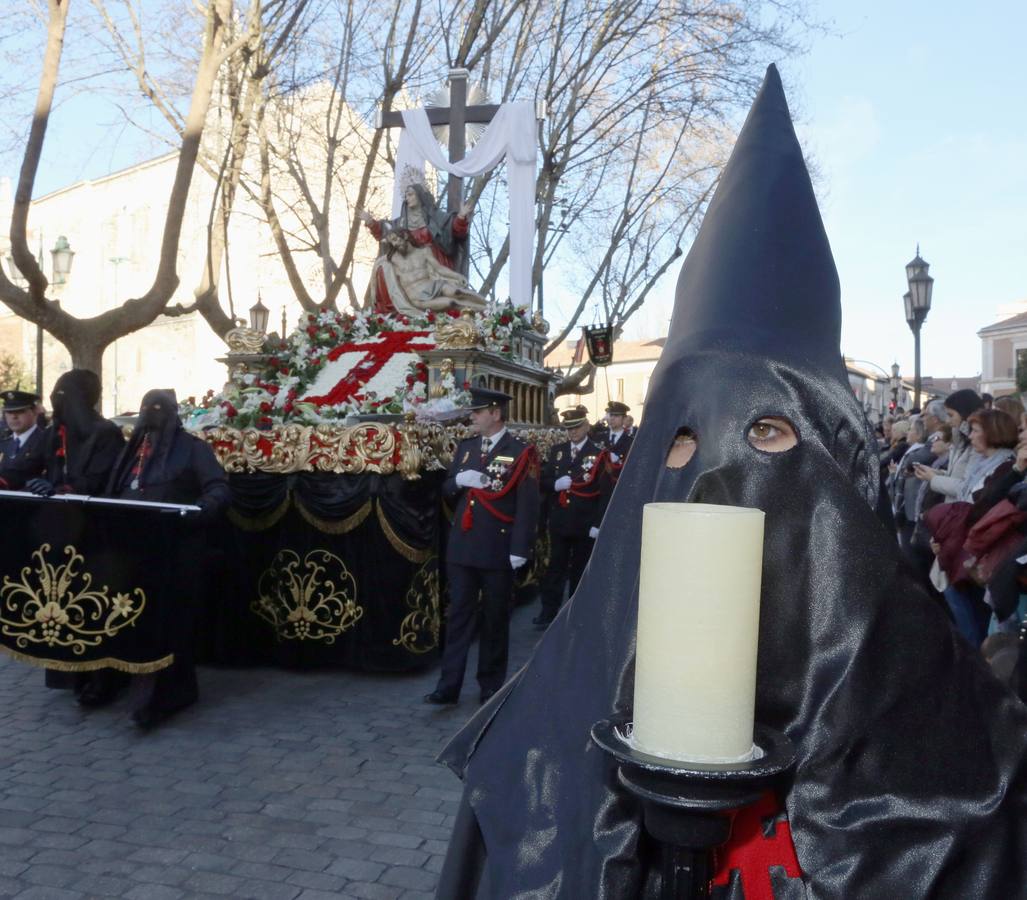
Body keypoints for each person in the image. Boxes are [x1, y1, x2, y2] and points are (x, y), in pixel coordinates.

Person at [435, 65, 1027, 898]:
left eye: (767, 433)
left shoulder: (958, 730)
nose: (716, 481)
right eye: (681, 442)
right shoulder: (549, 714)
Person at [106, 389, 230, 728]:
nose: (152, 414)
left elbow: (218, 487)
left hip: (175, 551)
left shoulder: (193, 449)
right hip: (131, 553)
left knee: (168, 626)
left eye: (158, 409)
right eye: (147, 408)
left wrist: (202, 509)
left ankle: (168, 692)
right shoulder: (132, 451)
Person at [425, 387, 540, 706]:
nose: (472, 416)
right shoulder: (466, 448)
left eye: (477, 411)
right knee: (458, 617)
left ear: (496, 413)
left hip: (498, 547)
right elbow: (447, 490)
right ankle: (448, 685)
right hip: (463, 548)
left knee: (494, 619)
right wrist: (460, 481)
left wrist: (520, 547)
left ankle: (490, 683)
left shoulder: (520, 451)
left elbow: (528, 505)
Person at [27, 369, 126, 705]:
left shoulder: (106, 432)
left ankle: (103, 678)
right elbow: (41, 468)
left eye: (65, 395)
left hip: (97, 534)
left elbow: (99, 479)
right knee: (64, 603)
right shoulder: (56, 433)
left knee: (95, 606)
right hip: (61, 531)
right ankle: (71, 674)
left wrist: (62, 489)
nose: (58, 401)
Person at [533, 405, 609, 629]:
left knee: (579, 570)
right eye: (569, 429)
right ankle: (549, 613)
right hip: (560, 520)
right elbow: (544, 481)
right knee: (554, 569)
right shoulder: (558, 450)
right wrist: (555, 484)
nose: (572, 433)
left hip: (584, 521)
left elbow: (604, 492)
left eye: (576, 427)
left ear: (586, 426)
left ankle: (576, 614)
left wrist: (598, 523)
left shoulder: (597, 453)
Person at [358, 182, 485, 314]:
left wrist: (461, 217)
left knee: (456, 292)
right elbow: (387, 233)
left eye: (411, 194)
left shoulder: (435, 218)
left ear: (419, 196)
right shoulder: (401, 223)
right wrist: (371, 223)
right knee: (448, 303)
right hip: (412, 277)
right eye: (406, 195)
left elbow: (453, 230)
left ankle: (487, 309)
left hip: (434, 260)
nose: (407, 198)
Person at [0, 389, 46, 490]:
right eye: (9, 412)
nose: (13, 416)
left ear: (34, 412)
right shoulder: (4, 442)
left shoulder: (46, 442)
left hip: (29, 502)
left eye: (20, 411)